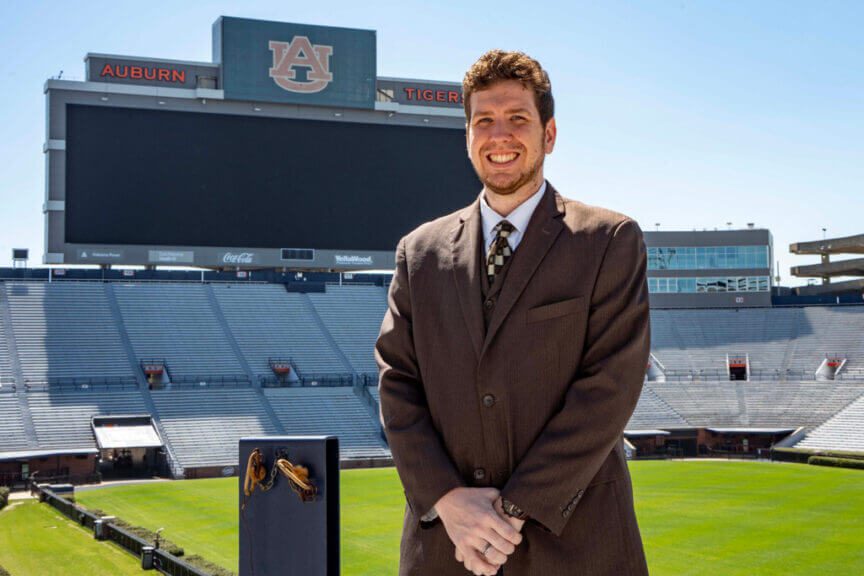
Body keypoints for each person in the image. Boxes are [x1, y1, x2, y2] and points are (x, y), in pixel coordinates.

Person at [376, 49, 651, 576]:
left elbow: (609, 390)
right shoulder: (419, 252)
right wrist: (450, 501)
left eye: (518, 119)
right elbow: (397, 383)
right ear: (467, 137)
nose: (499, 135)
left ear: (549, 134)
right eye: (484, 121)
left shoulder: (608, 240)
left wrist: (506, 512)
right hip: (446, 549)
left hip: (577, 547)